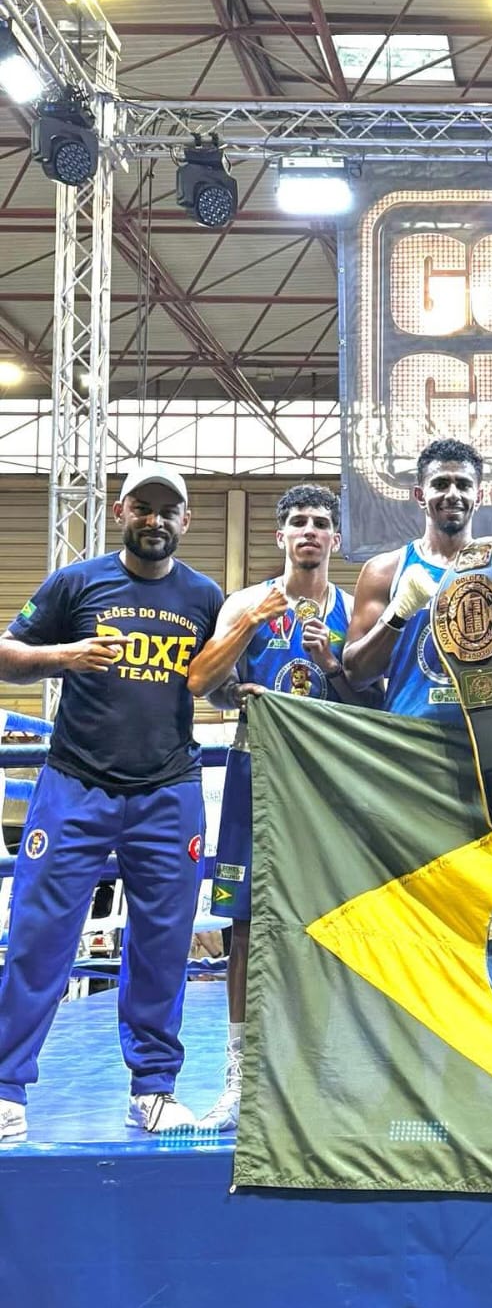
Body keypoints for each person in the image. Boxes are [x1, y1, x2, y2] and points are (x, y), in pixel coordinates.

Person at [0, 463, 223, 1139]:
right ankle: (6, 1088)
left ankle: (153, 1088)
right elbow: (6, 652)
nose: (155, 520)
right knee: (39, 936)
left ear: (185, 521)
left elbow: (221, 682)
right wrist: (65, 654)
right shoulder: (77, 582)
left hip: (168, 789)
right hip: (75, 782)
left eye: (169, 510)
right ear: (121, 510)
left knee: (161, 944)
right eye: (143, 506)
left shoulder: (207, 596)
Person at [186, 484, 375, 1132]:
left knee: (333, 925)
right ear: (280, 536)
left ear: (336, 540)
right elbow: (202, 685)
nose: (310, 531)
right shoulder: (247, 601)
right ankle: (241, 1076)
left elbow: (371, 710)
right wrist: (244, 627)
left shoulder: (358, 613)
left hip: (328, 789)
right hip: (255, 775)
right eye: (298, 521)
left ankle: (322, 1072)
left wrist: (331, 662)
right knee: (244, 926)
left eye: (322, 522)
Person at [342, 437, 492, 707]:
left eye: (463, 484)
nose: (453, 494)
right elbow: (355, 674)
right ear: (420, 496)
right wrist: (397, 616)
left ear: (478, 497)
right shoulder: (385, 571)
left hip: (480, 739)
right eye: (441, 484)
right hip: (404, 737)